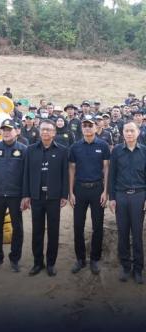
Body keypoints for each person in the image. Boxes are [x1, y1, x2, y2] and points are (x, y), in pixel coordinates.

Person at [22, 119, 68, 277]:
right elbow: (26, 173)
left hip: (54, 197)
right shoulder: (30, 150)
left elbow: (65, 174)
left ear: (54, 132)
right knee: (37, 231)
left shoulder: (62, 150)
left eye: (49, 129)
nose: (45, 132)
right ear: (39, 131)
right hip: (36, 197)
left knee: (53, 231)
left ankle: (51, 263)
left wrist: (64, 195)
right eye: (43, 129)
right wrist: (26, 194)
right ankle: (37, 262)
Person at [0, 118, 27, 273]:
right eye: (4, 130)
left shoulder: (23, 150)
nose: (6, 132)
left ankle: (15, 259)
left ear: (17, 131)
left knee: (17, 228)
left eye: (9, 129)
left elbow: (27, 175)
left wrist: (25, 196)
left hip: (16, 195)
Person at [69, 117, 110, 275]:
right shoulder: (75, 147)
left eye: (90, 125)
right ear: (81, 128)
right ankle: (80, 259)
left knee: (97, 226)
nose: (87, 128)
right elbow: (71, 169)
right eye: (84, 125)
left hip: (97, 189)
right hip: (79, 190)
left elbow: (106, 168)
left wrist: (105, 191)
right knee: (78, 226)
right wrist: (71, 192)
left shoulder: (103, 145)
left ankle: (94, 259)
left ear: (96, 127)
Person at [109, 122, 146, 284]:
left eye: (132, 130)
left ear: (138, 132)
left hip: (139, 196)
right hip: (121, 196)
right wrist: (112, 198)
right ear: (123, 133)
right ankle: (125, 267)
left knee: (137, 234)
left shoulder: (144, 151)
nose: (129, 133)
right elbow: (112, 175)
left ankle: (138, 269)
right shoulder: (117, 151)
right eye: (126, 131)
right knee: (122, 232)